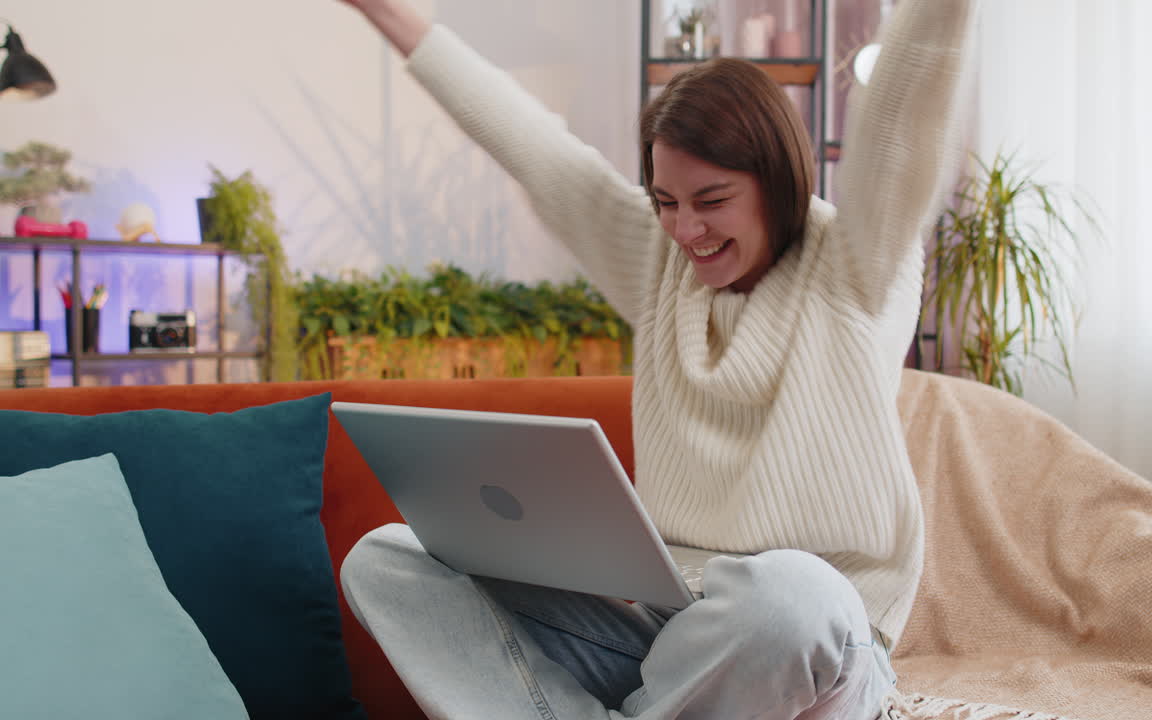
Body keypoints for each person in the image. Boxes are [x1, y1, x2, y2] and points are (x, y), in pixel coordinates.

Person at [337, 1, 977, 718]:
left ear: (777, 181)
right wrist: (386, 13)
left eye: (712, 200)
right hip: (669, 637)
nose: (686, 230)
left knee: (792, 593)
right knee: (388, 560)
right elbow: (530, 145)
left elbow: (905, 107)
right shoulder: (658, 263)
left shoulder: (858, 266)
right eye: (666, 201)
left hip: (811, 642)